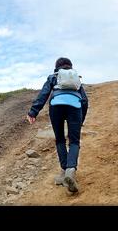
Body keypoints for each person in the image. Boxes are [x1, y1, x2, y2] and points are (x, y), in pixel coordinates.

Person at [26, 57, 88, 193]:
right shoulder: (76, 79)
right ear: (70, 67)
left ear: (57, 67)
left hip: (56, 106)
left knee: (60, 139)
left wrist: (33, 112)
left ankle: (64, 170)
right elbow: (84, 100)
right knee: (74, 142)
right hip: (75, 107)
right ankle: (70, 171)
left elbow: (44, 94)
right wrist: (80, 120)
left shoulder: (53, 77)